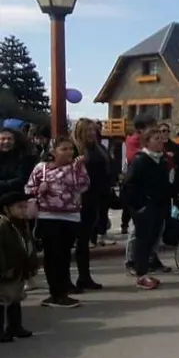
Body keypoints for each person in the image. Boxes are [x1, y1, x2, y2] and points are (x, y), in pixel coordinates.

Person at [25, 137, 90, 308]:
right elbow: (28, 188)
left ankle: (62, 291)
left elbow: (84, 185)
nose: (69, 152)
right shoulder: (41, 168)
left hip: (71, 216)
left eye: (71, 149)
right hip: (48, 216)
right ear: (53, 151)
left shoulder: (75, 167)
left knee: (65, 254)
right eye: (64, 149)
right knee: (52, 255)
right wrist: (40, 189)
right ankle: (56, 294)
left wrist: (79, 167)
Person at [120, 128, 173, 290]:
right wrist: (140, 206)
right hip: (145, 207)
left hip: (159, 206)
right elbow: (129, 185)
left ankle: (146, 271)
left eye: (161, 138)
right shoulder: (140, 160)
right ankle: (140, 275)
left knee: (152, 239)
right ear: (147, 141)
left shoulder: (162, 161)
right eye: (156, 138)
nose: (160, 141)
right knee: (142, 241)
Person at [70, 119, 111, 290]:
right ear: (79, 132)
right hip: (79, 200)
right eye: (88, 131)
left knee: (84, 242)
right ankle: (66, 280)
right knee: (74, 241)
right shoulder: (74, 149)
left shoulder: (99, 148)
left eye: (93, 130)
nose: (92, 134)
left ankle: (84, 277)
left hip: (95, 198)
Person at [0, 191, 38, 341]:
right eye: (19, 207)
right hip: (6, 270)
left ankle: (15, 327)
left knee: (16, 297)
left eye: (25, 207)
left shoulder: (22, 224)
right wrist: (3, 269)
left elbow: (28, 246)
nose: (23, 210)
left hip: (19, 268)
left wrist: (31, 265)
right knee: (2, 299)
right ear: (6, 209)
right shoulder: (2, 225)